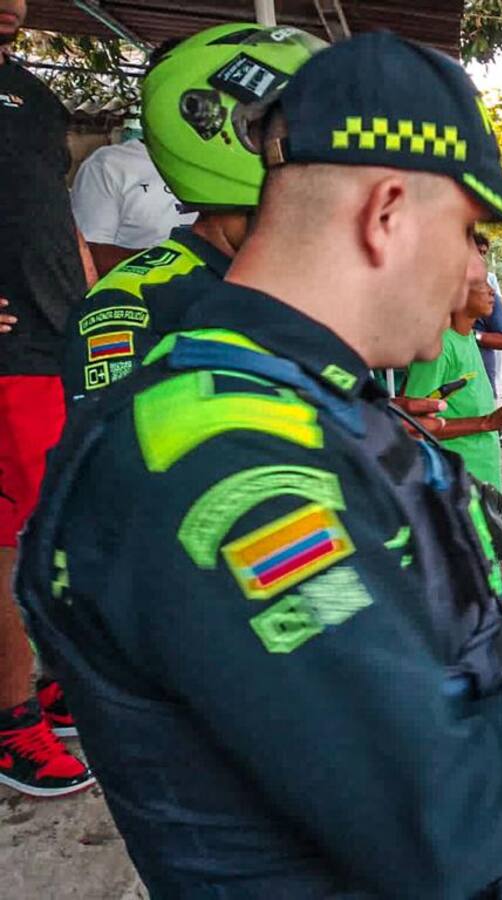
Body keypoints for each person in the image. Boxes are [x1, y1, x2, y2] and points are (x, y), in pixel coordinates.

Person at [17, 32, 502, 897]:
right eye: (468, 233)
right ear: (385, 215)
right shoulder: (223, 454)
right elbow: (439, 819)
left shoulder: (298, 394)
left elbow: (326, 660)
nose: (471, 283)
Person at [62, 23, 327, 404]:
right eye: (300, 130)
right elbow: (133, 450)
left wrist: (365, 428)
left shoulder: (303, 284)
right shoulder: (132, 306)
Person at [0, 0, 96, 798]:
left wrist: (89, 300)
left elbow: (54, 214)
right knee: (6, 544)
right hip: (6, 353)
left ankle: (56, 677)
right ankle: (9, 719)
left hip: (59, 341)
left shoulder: (33, 95)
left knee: (60, 525)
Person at [403, 249, 502, 489]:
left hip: (485, 481)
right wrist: (487, 422)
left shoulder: (467, 338)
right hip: (457, 490)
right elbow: (413, 426)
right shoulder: (438, 348)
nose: (492, 291)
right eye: (482, 283)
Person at [70, 128, 197, 277]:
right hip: (141, 294)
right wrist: (172, 263)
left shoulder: (224, 164)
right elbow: (90, 256)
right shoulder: (109, 164)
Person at [470, 231, 502, 397]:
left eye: (483, 253)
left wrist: (473, 336)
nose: (481, 258)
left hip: (482, 387)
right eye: (477, 252)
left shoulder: (489, 291)